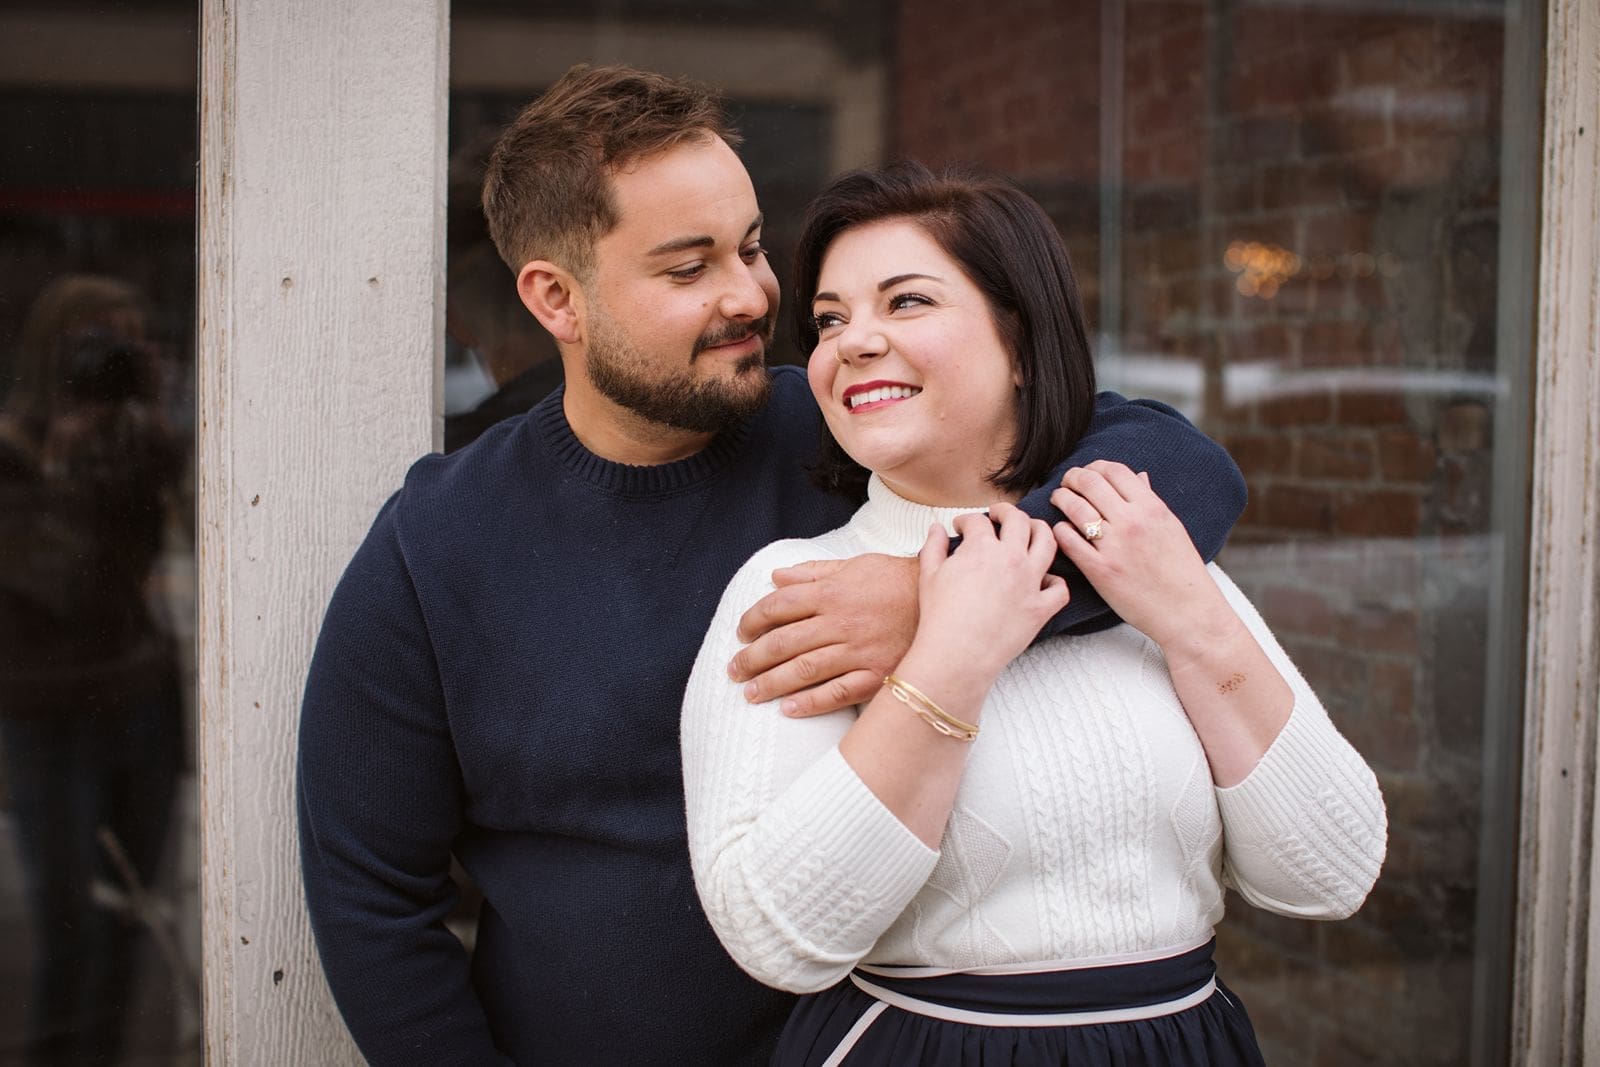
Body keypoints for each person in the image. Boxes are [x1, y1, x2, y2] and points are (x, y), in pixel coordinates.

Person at [297, 65, 1248, 1066]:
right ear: (554, 298)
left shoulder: (848, 429)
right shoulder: (437, 541)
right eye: (687, 267)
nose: (750, 294)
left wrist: (944, 596)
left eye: (751, 246)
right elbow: (372, 896)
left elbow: (1183, 470)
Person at [682, 161, 1387, 1065]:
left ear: (1019, 343)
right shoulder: (804, 588)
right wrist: (947, 661)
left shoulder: (1138, 544)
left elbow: (1330, 874)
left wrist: (1191, 617)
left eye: (905, 302)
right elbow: (775, 935)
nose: (852, 341)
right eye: (829, 319)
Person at [0, 274, 187, 1063]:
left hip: (137, 698)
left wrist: (168, 416)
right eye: (96, 346)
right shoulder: (12, 452)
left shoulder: (144, 444)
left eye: (128, 344)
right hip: (48, 711)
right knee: (68, 928)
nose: (112, 363)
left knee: (130, 923)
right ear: (51, 353)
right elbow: (54, 585)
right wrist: (61, 457)